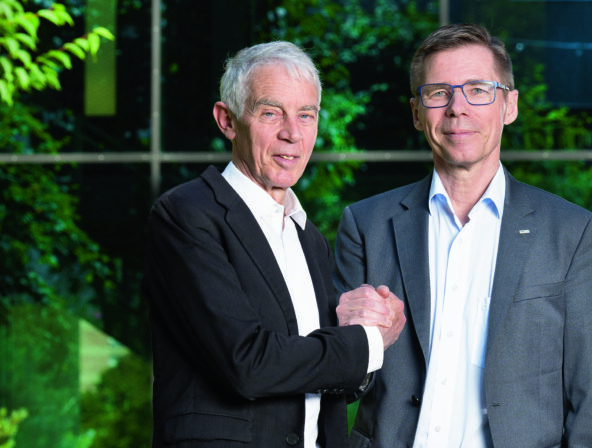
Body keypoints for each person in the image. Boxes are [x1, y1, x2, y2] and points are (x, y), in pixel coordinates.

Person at [334, 23, 592, 448]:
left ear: (509, 105)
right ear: (416, 112)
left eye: (478, 90)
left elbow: (591, 401)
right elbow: (340, 382)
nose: (457, 108)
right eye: (438, 93)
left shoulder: (571, 233)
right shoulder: (365, 224)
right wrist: (351, 339)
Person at [142, 41, 405, 448]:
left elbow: (308, 372)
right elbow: (247, 363)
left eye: (306, 115)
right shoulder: (186, 215)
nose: (292, 134)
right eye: (270, 113)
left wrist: (363, 324)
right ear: (227, 121)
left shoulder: (308, 238)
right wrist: (369, 342)